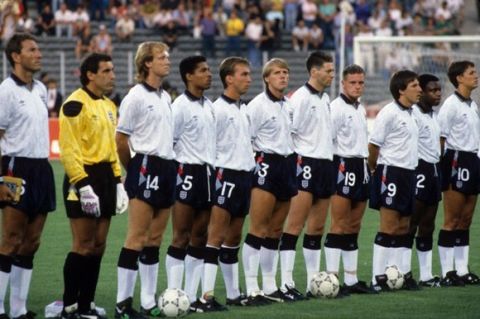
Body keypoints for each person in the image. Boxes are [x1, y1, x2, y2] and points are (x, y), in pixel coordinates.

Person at [59, 53, 128, 319]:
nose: (112, 75)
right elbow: (68, 149)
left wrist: (118, 182)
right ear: (90, 74)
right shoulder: (75, 104)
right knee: (83, 245)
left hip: (106, 179)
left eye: (112, 70)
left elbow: (111, 149)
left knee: (99, 245)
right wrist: (82, 185)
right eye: (107, 70)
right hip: (83, 178)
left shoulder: (110, 106)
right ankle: (69, 307)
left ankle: (86, 305)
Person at [114, 42, 175, 319]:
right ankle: (122, 304)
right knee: (136, 237)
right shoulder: (135, 96)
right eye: (162, 57)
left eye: (167, 56)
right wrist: (135, 169)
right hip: (146, 165)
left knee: (155, 239)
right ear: (147, 63)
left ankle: (148, 302)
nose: (167, 60)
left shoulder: (165, 97)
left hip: (167, 167)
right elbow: (120, 140)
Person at [0, 32, 56, 319]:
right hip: (15, 168)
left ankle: (18, 308)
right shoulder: (5, 91)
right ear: (15, 56)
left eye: (38, 49)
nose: (39, 53)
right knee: (10, 239)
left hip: (41, 168)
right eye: (32, 49)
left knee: (31, 242)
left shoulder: (40, 90)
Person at [200, 57, 255, 311]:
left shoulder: (244, 108)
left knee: (234, 237)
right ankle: (206, 295)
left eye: (249, 74)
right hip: (225, 175)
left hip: (245, 176)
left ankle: (234, 294)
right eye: (243, 74)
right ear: (229, 78)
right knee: (216, 235)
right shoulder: (216, 109)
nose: (249, 78)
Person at [279, 51, 334, 299]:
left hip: (325, 164)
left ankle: (315, 282)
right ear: (314, 72)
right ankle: (286, 282)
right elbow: (289, 133)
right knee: (295, 224)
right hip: (305, 163)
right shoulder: (299, 98)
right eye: (328, 70)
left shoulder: (325, 99)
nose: (332, 74)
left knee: (317, 227)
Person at [242, 58, 297, 304]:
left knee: (275, 230)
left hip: (287, 164)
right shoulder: (256, 106)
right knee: (259, 228)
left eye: (285, 72)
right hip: (266, 164)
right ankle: (252, 287)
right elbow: (247, 140)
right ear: (266, 78)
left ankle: (270, 285)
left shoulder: (289, 105)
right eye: (277, 73)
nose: (283, 77)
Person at [164, 56, 215, 311]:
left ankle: (192, 298)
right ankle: (174, 295)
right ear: (189, 76)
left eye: (208, 70)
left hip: (207, 174)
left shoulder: (210, 105)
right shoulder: (179, 106)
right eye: (203, 71)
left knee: (200, 237)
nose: (209, 74)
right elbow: (169, 142)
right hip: (186, 173)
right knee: (181, 236)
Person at [368, 70, 421, 292]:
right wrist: (374, 169)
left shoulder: (412, 113)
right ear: (401, 90)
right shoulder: (389, 112)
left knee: (403, 226)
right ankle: (377, 278)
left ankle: (395, 274)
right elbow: (373, 145)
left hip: (409, 173)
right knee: (389, 225)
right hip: (391, 172)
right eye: (415, 85)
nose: (419, 89)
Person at [325, 64, 374, 294]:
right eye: (353, 82)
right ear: (343, 83)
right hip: (342, 165)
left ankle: (352, 280)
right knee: (339, 223)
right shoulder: (335, 108)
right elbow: (328, 141)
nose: (357, 86)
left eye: (361, 82)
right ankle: (333, 280)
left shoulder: (360, 108)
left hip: (361, 166)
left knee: (354, 225)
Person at [437, 60, 480, 286]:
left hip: (472, 160)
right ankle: (447, 272)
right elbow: (441, 139)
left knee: (465, 220)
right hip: (455, 160)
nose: (476, 76)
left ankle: (462, 271)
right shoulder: (450, 105)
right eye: (471, 73)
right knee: (452, 219)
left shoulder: (472, 105)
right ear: (459, 78)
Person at [408, 74, 442, 287]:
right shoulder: (414, 115)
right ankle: (401, 272)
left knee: (428, 223)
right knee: (412, 222)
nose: (437, 93)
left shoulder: (432, 115)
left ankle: (426, 275)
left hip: (434, 170)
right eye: (432, 90)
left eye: (439, 90)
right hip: (419, 168)